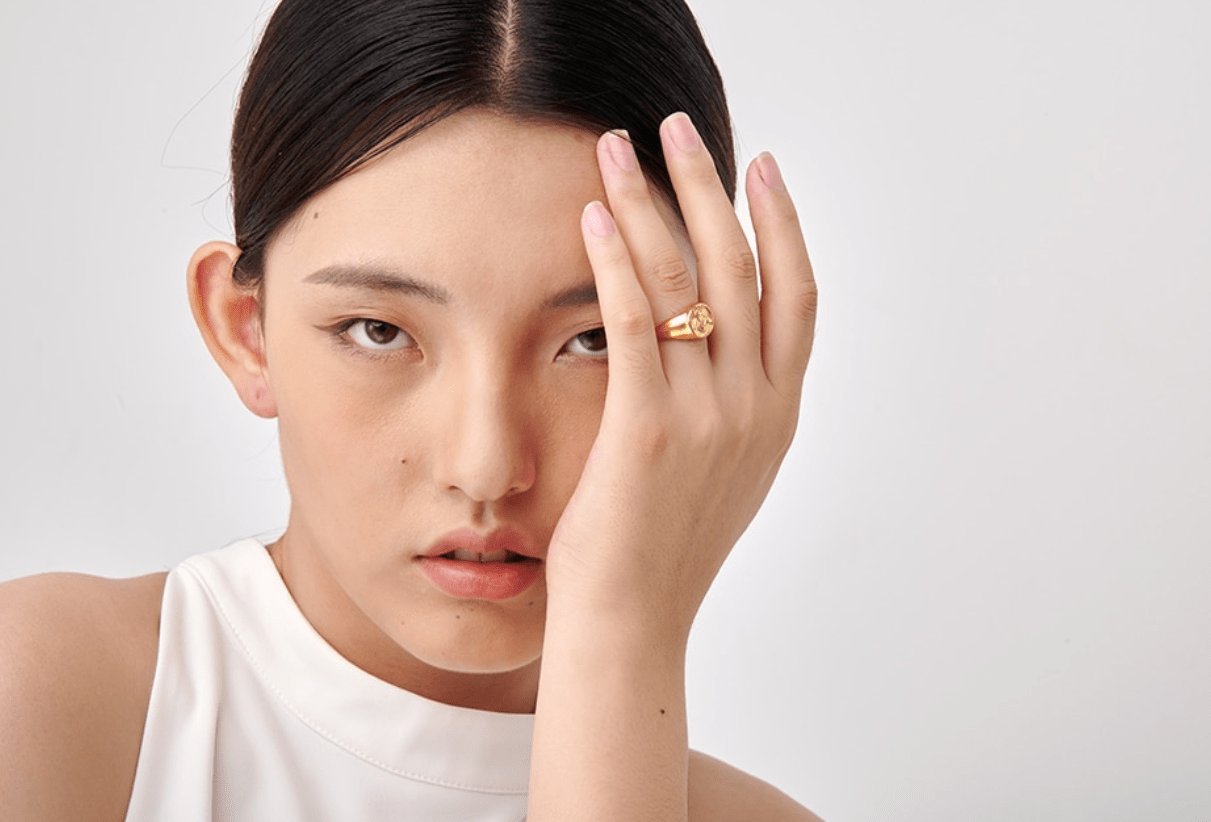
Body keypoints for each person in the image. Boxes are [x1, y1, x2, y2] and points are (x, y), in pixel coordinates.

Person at [0, 0, 819, 819]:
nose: (486, 467)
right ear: (245, 331)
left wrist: (622, 634)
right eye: (379, 331)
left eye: (597, 339)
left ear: (712, 357)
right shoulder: (43, 697)